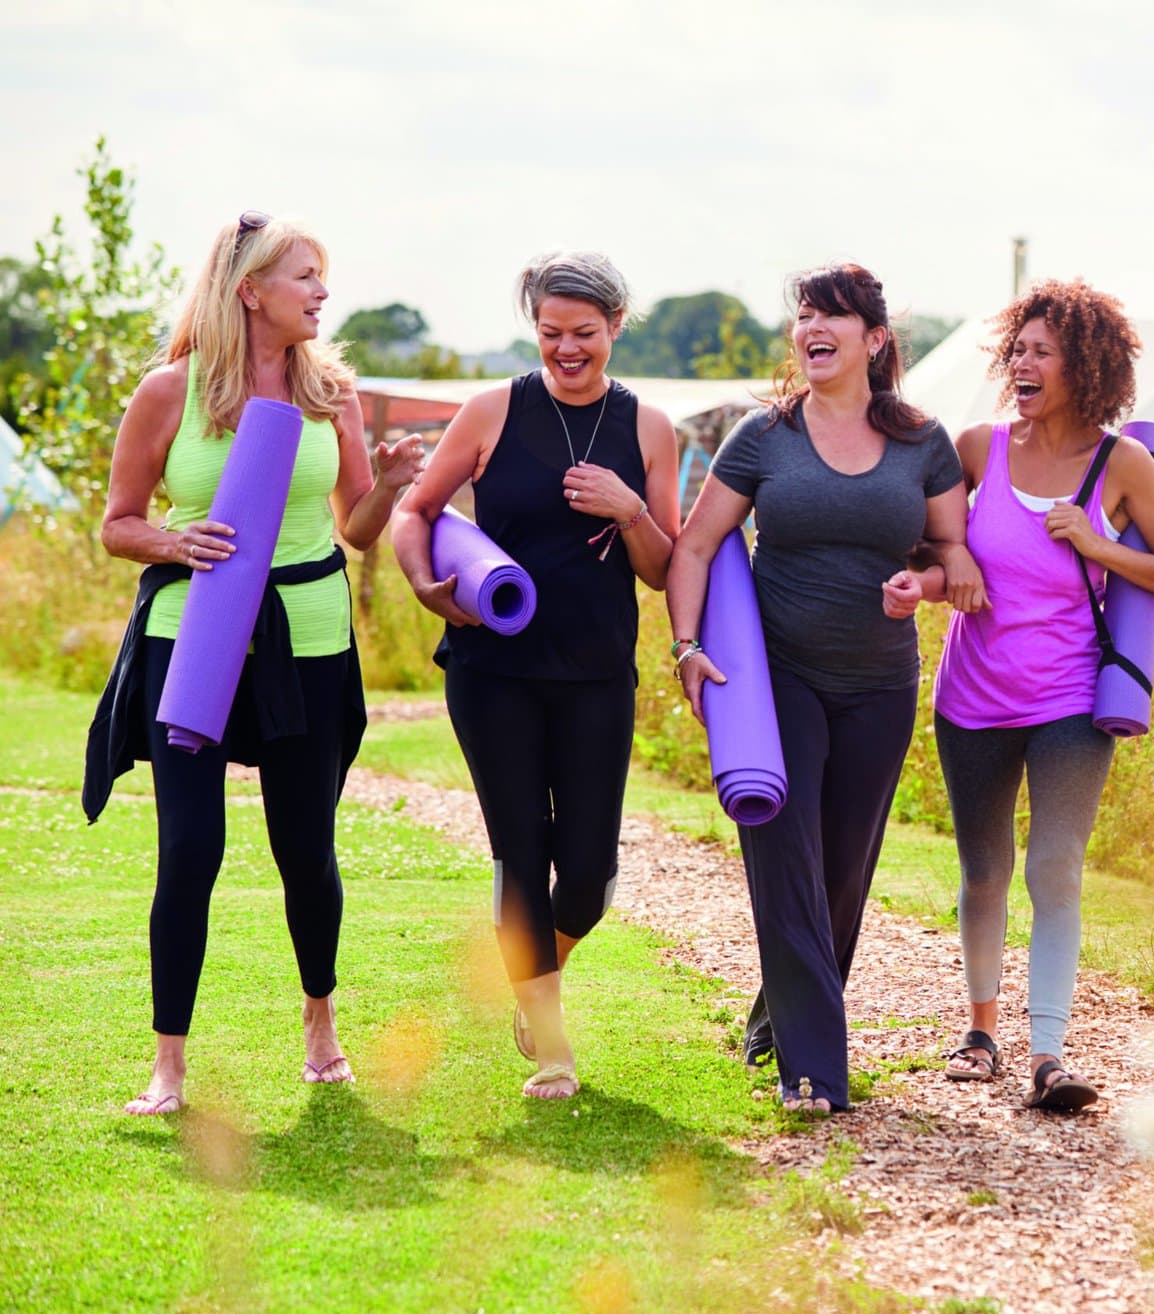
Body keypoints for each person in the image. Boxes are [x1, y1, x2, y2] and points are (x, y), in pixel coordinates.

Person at [86, 211, 426, 1115]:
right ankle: (169, 1064)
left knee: (305, 850)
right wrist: (170, 538)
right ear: (250, 290)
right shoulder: (171, 392)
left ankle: (320, 1024)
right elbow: (118, 524)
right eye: (305, 276)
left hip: (310, 638)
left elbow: (356, 530)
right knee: (189, 850)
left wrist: (388, 487)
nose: (321, 292)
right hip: (192, 643)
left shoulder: (333, 394)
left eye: (323, 276)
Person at [667, 262, 981, 1114]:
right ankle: (814, 1071)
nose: (812, 326)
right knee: (786, 856)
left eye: (831, 315)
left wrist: (927, 585)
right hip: (779, 680)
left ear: (874, 340)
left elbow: (955, 555)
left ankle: (780, 1011)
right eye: (804, 313)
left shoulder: (922, 440)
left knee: (843, 871)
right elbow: (694, 547)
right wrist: (687, 645)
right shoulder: (764, 437)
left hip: (880, 685)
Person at [886, 278, 1154, 1111]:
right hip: (971, 697)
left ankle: (1049, 1053)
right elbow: (927, 546)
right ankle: (981, 1032)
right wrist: (934, 577)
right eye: (1016, 349)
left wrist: (1097, 542)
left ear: (1085, 368)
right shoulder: (977, 449)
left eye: (1041, 351)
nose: (1021, 362)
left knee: (1053, 867)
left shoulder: (1120, 464)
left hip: (1069, 699)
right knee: (984, 868)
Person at [390, 251, 679, 1101]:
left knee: (586, 875)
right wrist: (423, 585)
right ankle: (552, 1047)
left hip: (596, 672)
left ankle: (533, 973)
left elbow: (663, 570)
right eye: (551, 333)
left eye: (584, 334)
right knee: (522, 853)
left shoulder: (650, 428)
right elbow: (417, 510)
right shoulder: (490, 410)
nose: (566, 350)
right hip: (492, 669)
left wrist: (629, 510)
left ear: (615, 327)